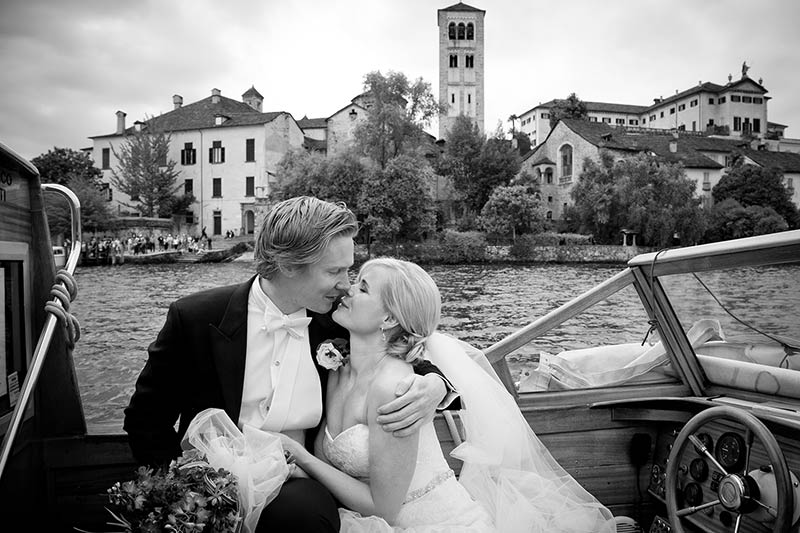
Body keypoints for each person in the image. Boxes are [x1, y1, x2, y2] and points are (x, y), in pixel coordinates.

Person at [124, 197, 455, 532]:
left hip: (298, 481)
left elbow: (402, 346)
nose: (345, 284)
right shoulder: (195, 319)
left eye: (349, 270)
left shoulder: (340, 321)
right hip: (211, 480)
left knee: (303, 517)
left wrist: (435, 385)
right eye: (334, 271)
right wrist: (181, 489)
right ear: (289, 265)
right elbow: (144, 421)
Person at [278, 258, 616, 532]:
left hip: (425, 523)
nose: (347, 289)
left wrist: (300, 458)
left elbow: (384, 508)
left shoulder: (394, 388)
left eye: (362, 287)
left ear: (390, 317)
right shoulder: (337, 366)